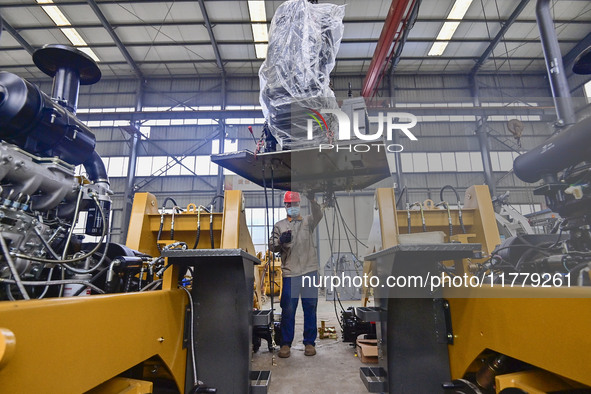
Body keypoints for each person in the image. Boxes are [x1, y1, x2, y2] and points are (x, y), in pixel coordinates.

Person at [269, 190, 323, 358]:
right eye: (289, 204)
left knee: (310, 307)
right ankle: (285, 344)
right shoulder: (280, 226)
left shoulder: (308, 221)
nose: (293, 207)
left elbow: (319, 214)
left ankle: (309, 343)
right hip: (291, 273)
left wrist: (313, 200)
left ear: (299, 205)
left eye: (295, 204)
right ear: (285, 205)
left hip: (309, 271)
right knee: (289, 309)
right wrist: (280, 241)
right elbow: (272, 246)